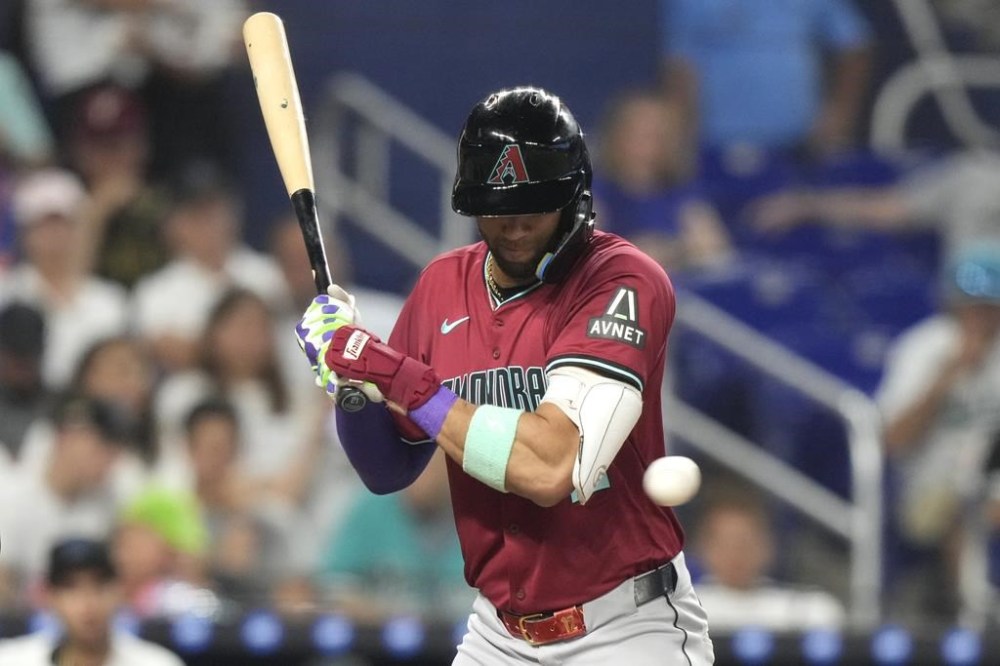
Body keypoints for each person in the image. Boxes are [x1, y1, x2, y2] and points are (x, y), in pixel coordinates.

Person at [295, 86, 714, 664]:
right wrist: (350, 385)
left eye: (532, 208)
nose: (513, 226)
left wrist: (391, 372)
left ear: (574, 200)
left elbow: (550, 467)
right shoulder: (442, 284)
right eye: (496, 210)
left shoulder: (622, 281)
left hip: (623, 628)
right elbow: (388, 469)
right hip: (499, 633)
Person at [876, 243, 1000, 620]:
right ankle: (976, 616)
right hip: (926, 487)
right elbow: (891, 439)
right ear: (952, 305)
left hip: (989, 479)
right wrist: (945, 378)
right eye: (970, 306)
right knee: (966, 502)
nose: (979, 318)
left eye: (988, 308)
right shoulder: (923, 347)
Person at [660, 0, 872, 157]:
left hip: (799, 145)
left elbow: (854, 45)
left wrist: (840, 113)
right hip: (715, 143)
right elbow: (680, 65)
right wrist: (680, 137)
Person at [0, 168, 129, 388]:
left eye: (64, 224)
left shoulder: (110, 300)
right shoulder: (5, 293)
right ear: (25, 233)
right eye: (44, 225)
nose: (55, 235)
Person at [0, 395, 129, 606]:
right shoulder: (13, 497)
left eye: (114, 452)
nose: (108, 462)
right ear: (66, 438)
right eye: (101, 447)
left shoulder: (107, 504)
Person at [317, 449, 470, 624]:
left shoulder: (479, 516)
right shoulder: (372, 506)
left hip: (462, 643)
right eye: (417, 465)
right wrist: (389, 616)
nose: (421, 477)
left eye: (430, 467)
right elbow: (334, 590)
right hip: (379, 644)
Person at [591, 89, 732, 272]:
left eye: (658, 135)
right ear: (615, 136)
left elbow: (717, 252)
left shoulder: (682, 195)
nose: (647, 145)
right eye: (638, 133)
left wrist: (674, 250)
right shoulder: (594, 194)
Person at [0, 538, 185, 665]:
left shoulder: (157, 663)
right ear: (50, 596)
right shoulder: (12, 660)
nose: (87, 602)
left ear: (119, 590)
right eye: (71, 587)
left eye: (100, 585)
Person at [690, 487, 845, 631]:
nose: (735, 554)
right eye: (725, 544)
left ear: (768, 546)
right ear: (703, 548)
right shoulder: (682, 611)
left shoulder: (805, 611)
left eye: (744, 542)